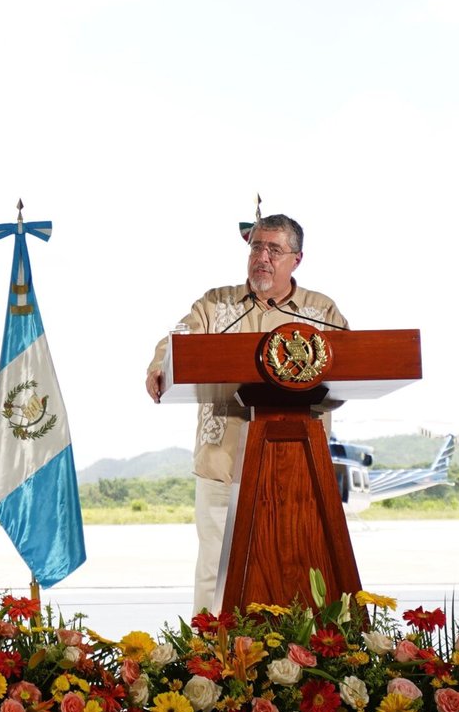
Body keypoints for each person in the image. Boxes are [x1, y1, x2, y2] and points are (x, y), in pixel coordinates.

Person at [144, 214, 348, 616]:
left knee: (300, 566)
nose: (262, 257)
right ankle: (208, 650)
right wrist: (158, 366)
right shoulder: (216, 305)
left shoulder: (321, 311)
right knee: (214, 571)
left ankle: (303, 647)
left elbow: (352, 363)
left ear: (297, 259)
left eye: (274, 249)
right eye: (256, 247)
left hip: (298, 467)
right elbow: (176, 343)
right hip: (224, 463)